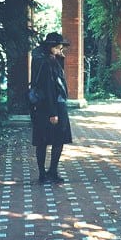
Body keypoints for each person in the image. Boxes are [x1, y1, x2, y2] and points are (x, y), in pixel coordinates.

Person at [30, 32, 73, 183]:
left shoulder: (50, 59)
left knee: (58, 139)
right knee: (43, 141)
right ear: (51, 47)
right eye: (59, 47)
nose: (61, 49)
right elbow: (48, 88)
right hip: (50, 106)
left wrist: (59, 57)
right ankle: (44, 174)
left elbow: (58, 81)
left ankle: (51, 171)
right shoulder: (45, 62)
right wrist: (53, 112)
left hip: (54, 105)